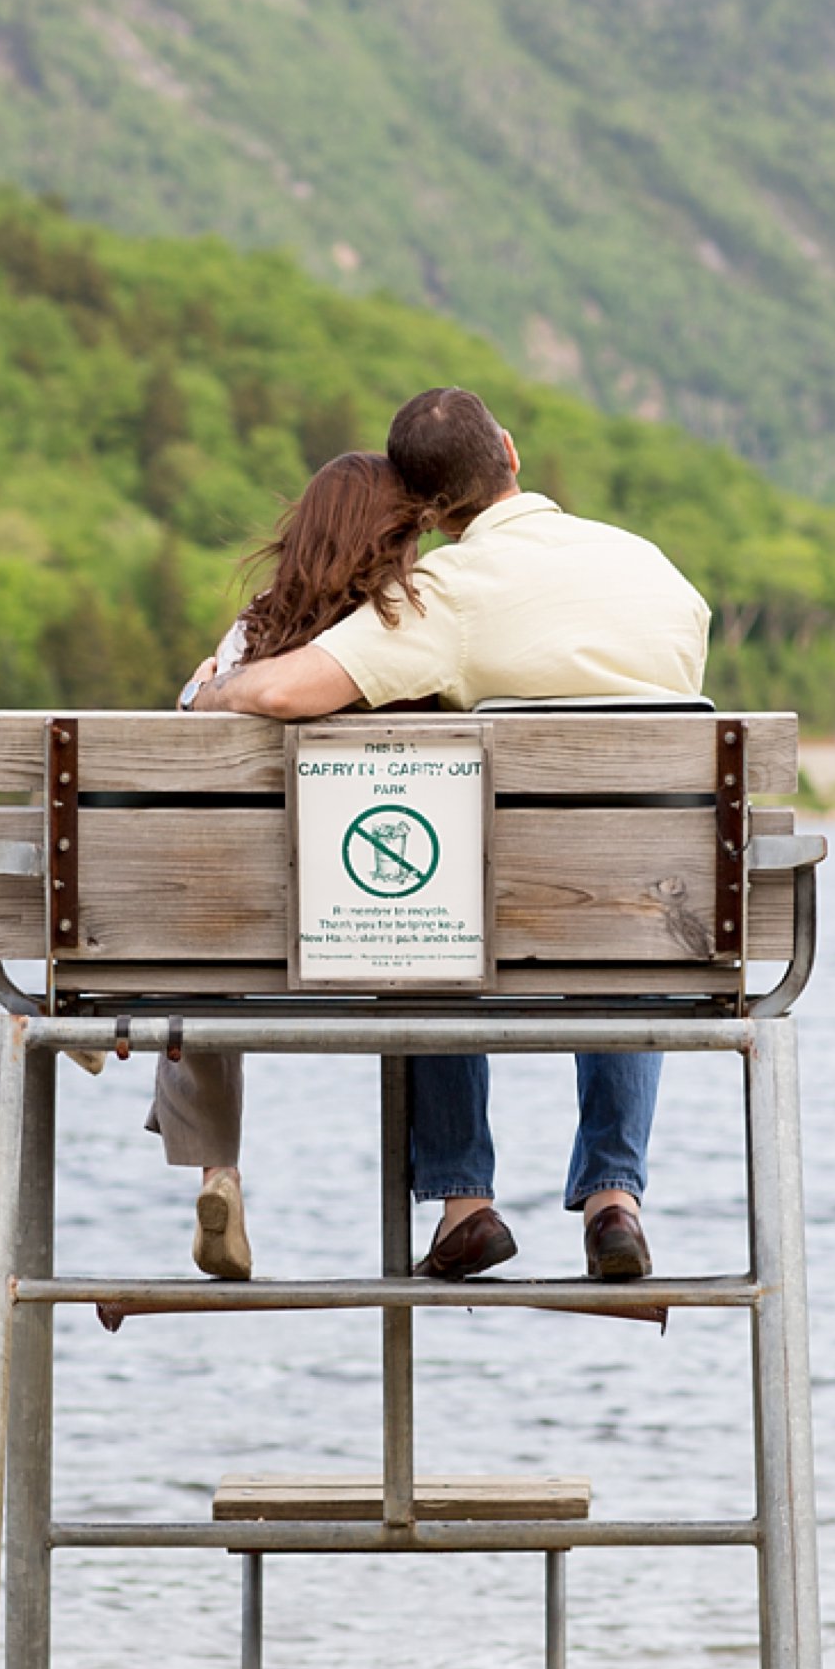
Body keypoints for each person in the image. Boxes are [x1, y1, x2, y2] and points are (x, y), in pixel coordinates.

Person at [186, 384, 711, 1283]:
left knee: (429, 925)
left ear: (426, 510)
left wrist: (215, 690)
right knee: (625, 923)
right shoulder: (655, 571)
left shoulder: (444, 595)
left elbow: (280, 692)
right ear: (509, 450)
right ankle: (614, 1197)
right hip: (656, 907)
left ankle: (466, 1201)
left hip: (494, 910)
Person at [152, 449, 426, 1282]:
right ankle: (463, 1195)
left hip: (241, 937)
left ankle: (218, 1172)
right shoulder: (408, 629)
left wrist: (199, 692)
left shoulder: (252, 636)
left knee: (198, 945)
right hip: (388, 925)